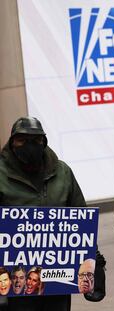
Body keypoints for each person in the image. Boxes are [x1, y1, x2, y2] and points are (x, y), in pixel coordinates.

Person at [0, 117, 93, 310]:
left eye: (35, 140)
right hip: (17, 278)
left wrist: (96, 265)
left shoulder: (63, 172)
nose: (29, 145)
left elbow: (81, 219)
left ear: (44, 141)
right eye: (22, 140)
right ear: (12, 142)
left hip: (56, 275)